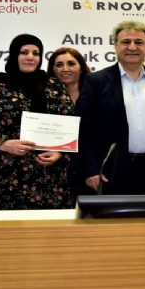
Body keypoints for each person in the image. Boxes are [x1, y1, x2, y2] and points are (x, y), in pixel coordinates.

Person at [76, 20, 145, 195]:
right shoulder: (96, 81)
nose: (132, 47)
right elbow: (83, 128)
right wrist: (91, 169)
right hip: (110, 172)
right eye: (125, 42)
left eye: (139, 42)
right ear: (115, 45)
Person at [0, 34, 66, 209]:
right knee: (8, 224)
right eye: (24, 52)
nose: (30, 57)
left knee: (47, 224)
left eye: (36, 53)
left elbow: (69, 122)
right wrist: (2, 143)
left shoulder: (54, 86)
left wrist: (60, 152)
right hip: (6, 175)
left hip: (48, 176)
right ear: (14, 55)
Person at [45, 47, 91, 203]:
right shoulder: (44, 96)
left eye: (71, 63)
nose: (65, 69)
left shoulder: (96, 93)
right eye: (59, 65)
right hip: (57, 169)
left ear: (81, 67)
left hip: (91, 166)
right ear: (52, 70)